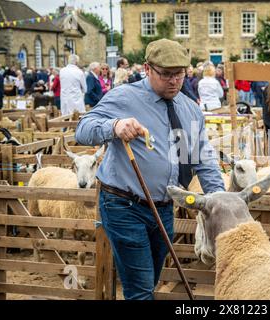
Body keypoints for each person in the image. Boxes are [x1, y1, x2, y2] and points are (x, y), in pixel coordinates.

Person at [75, 38, 225, 300]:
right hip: (124, 204)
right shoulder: (124, 96)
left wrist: (220, 198)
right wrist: (114, 126)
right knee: (141, 289)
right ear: (147, 68)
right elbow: (83, 129)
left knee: (149, 280)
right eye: (166, 74)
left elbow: (202, 157)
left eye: (179, 74)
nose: (174, 81)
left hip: (164, 208)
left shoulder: (190, 109)